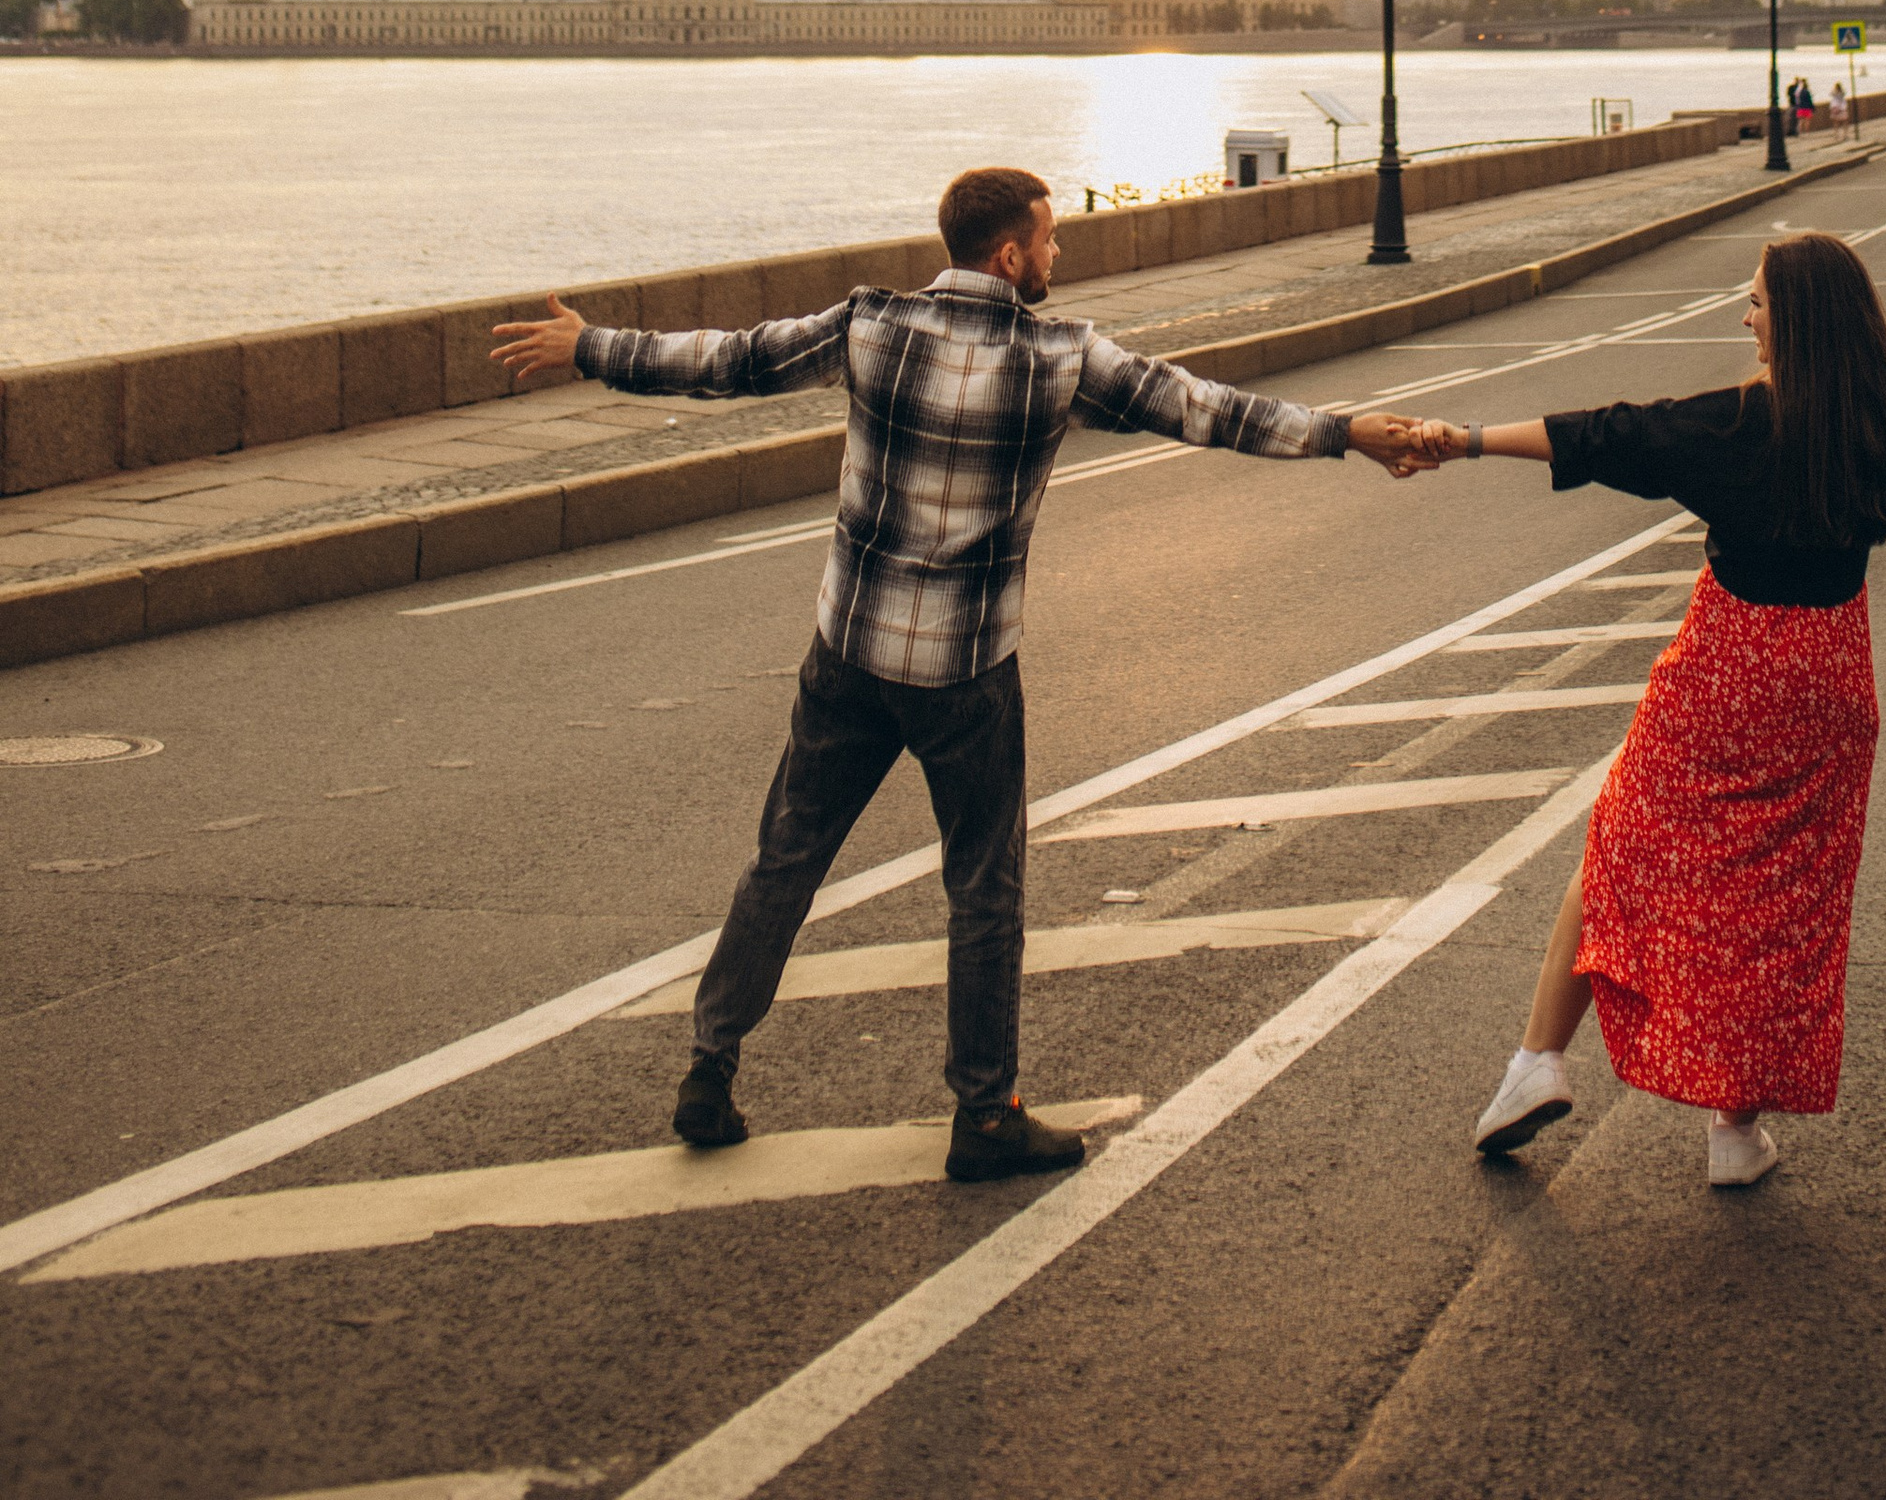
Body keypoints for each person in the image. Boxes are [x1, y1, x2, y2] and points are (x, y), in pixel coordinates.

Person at [492, 166, 1437, 1183]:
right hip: (965, 672)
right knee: (983, 888)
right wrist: (1341, 433)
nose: (1056, 256)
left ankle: (710, 1069)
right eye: (1049, 240)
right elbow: (1207, 411)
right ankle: (983, 1117)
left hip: (848, 655)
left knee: (785, 861)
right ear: (1008, 256)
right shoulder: (1061, 356)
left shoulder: (871, 325)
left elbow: (727, 360)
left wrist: (590, 346)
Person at [1393, 166, 1886, 1187]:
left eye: (1752, 302)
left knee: (1619, 845)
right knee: (1784, 907)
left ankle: (1536, 1064)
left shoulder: (1738, 425)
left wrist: (1462, 441)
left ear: (1787, 323)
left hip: (1727, 669)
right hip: (1831, 678)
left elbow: (1604, 434)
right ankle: (1734, 1133)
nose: (1743, 316)